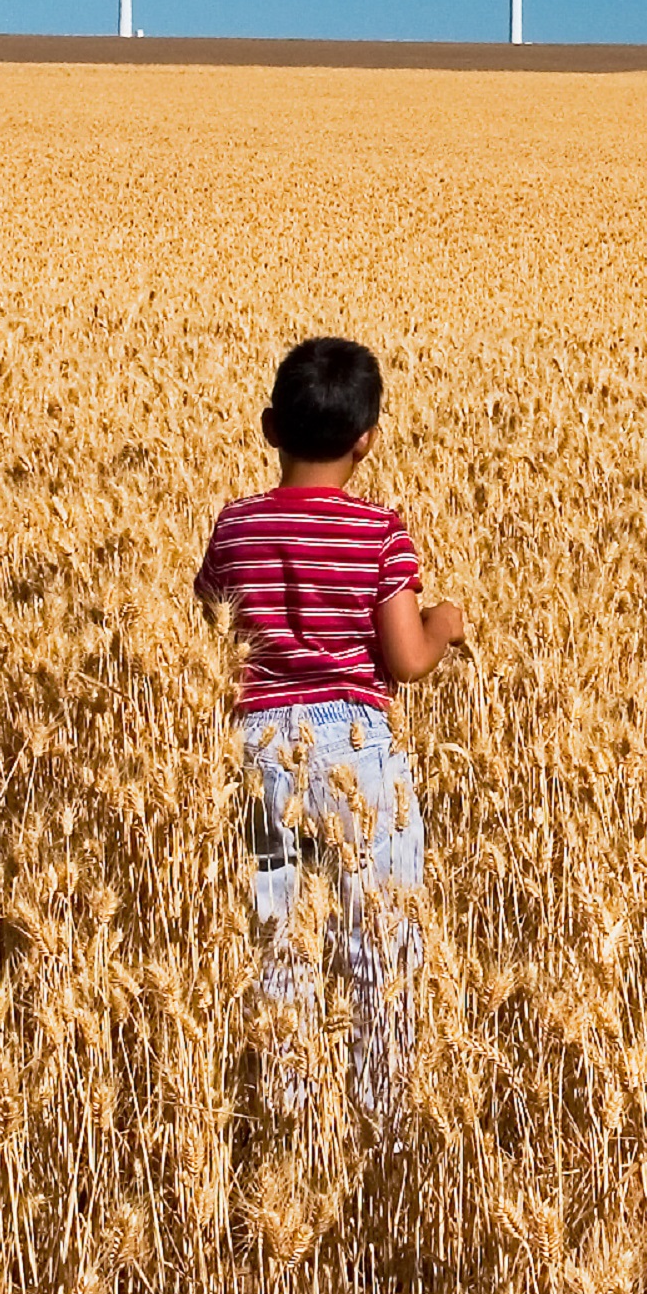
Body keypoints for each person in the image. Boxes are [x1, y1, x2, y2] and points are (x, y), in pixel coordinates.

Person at [193, 337, 471, 1121]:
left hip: (259, 748)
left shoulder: (237, 526)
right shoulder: (379, 534)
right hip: (354, 746)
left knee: (279, 936)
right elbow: (405, 658)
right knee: (377, 939)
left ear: (269, 427)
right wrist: (442, 624)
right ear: (367, 439)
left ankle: (291, 1121)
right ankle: (379, 1119)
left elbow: (210, 611)